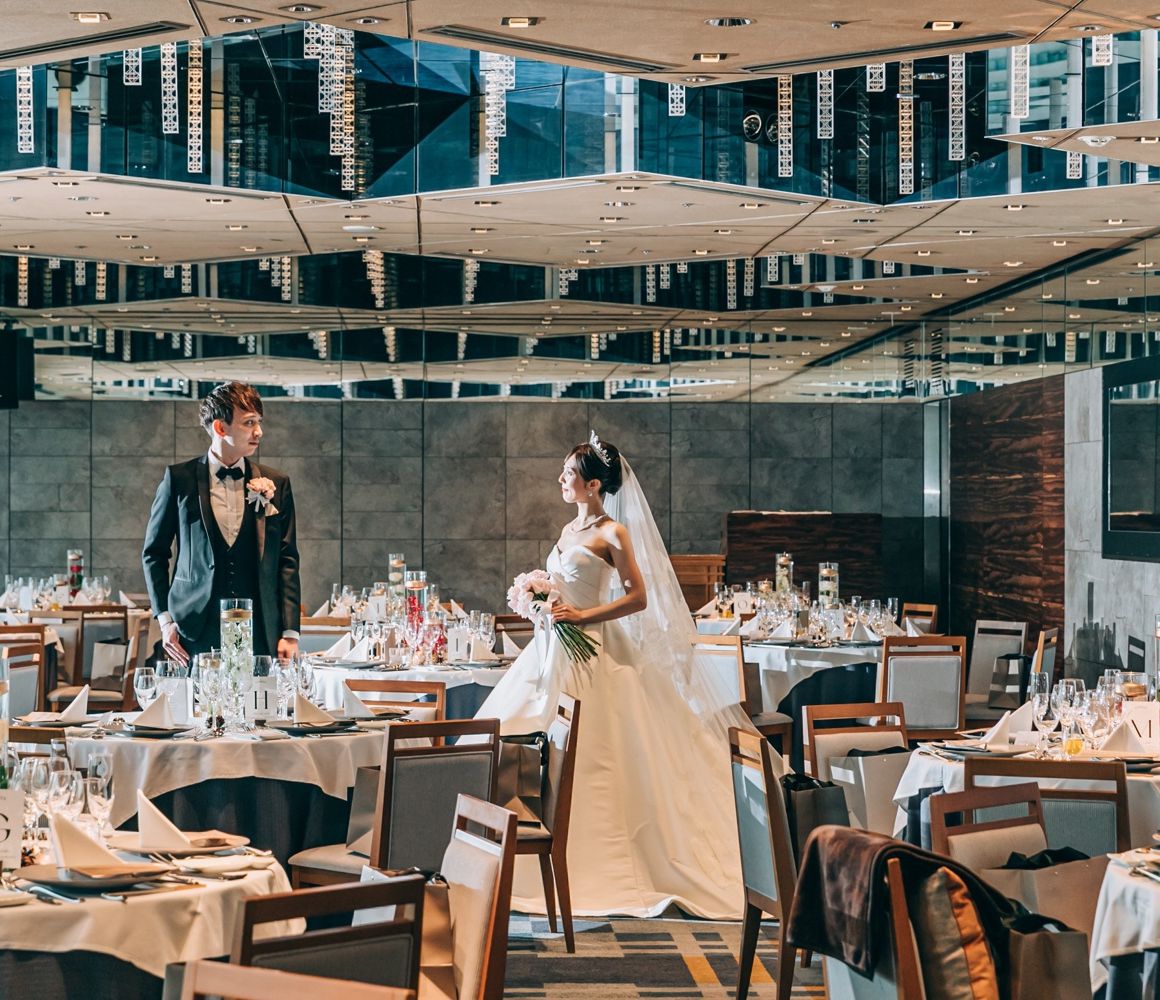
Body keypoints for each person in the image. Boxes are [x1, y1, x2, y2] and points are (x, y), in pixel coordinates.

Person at [475, 432, 753, 918]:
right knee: (515, 731)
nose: (561, 479)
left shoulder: (613, 533)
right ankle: (500, 848)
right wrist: (539, 600)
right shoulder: (568, 530)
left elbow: (638, 598)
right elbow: (562, 586)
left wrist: (583, 616)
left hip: (595, 653)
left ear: (594, 484)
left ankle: (596, 859)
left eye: (569, 474)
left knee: (599, 752)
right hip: (551, 648)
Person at [142, 381, 301, 664]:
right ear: (220, 427)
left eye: (259, 422)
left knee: (259, 693)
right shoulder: (179, 480)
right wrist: (165, 620)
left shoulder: (277, 483)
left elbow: (287, 560)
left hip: (260, 627)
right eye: (249, 422)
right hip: (194, 627)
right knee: (201, 693)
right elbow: (154, 554)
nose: (259, 432)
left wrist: (290, 632)